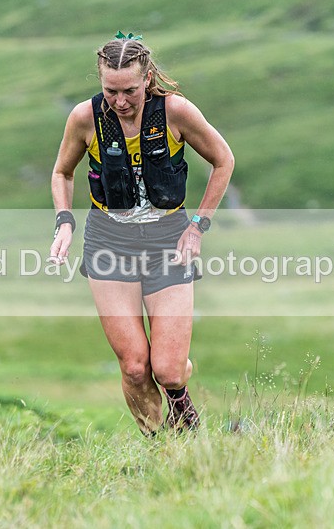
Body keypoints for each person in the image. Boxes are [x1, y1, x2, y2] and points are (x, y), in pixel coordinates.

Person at [49, 32, 234, 435]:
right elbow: (62, 172)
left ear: (147, 78)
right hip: (108, 242)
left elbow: (224, 160)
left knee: (167, 370)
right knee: (134, 366)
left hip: (167, 240)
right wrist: (64, 221)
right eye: (110, 91)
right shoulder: (85, 118)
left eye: (129, 90)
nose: (120, 101)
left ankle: (179, 388)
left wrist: (198, 226)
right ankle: (164, 448)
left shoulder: (176, 113)